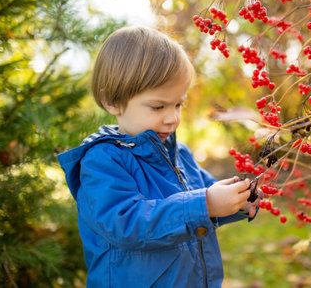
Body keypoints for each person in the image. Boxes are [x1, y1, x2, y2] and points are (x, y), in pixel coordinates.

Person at [57, 26, 262, 287]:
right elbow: (127, 224)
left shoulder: (180, 153)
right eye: (158, 106)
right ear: (112, 101)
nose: (172, 117)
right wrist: (206, 204)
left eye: (179, 104)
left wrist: (239, 201)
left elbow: (207, 204)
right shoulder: (102, 161)